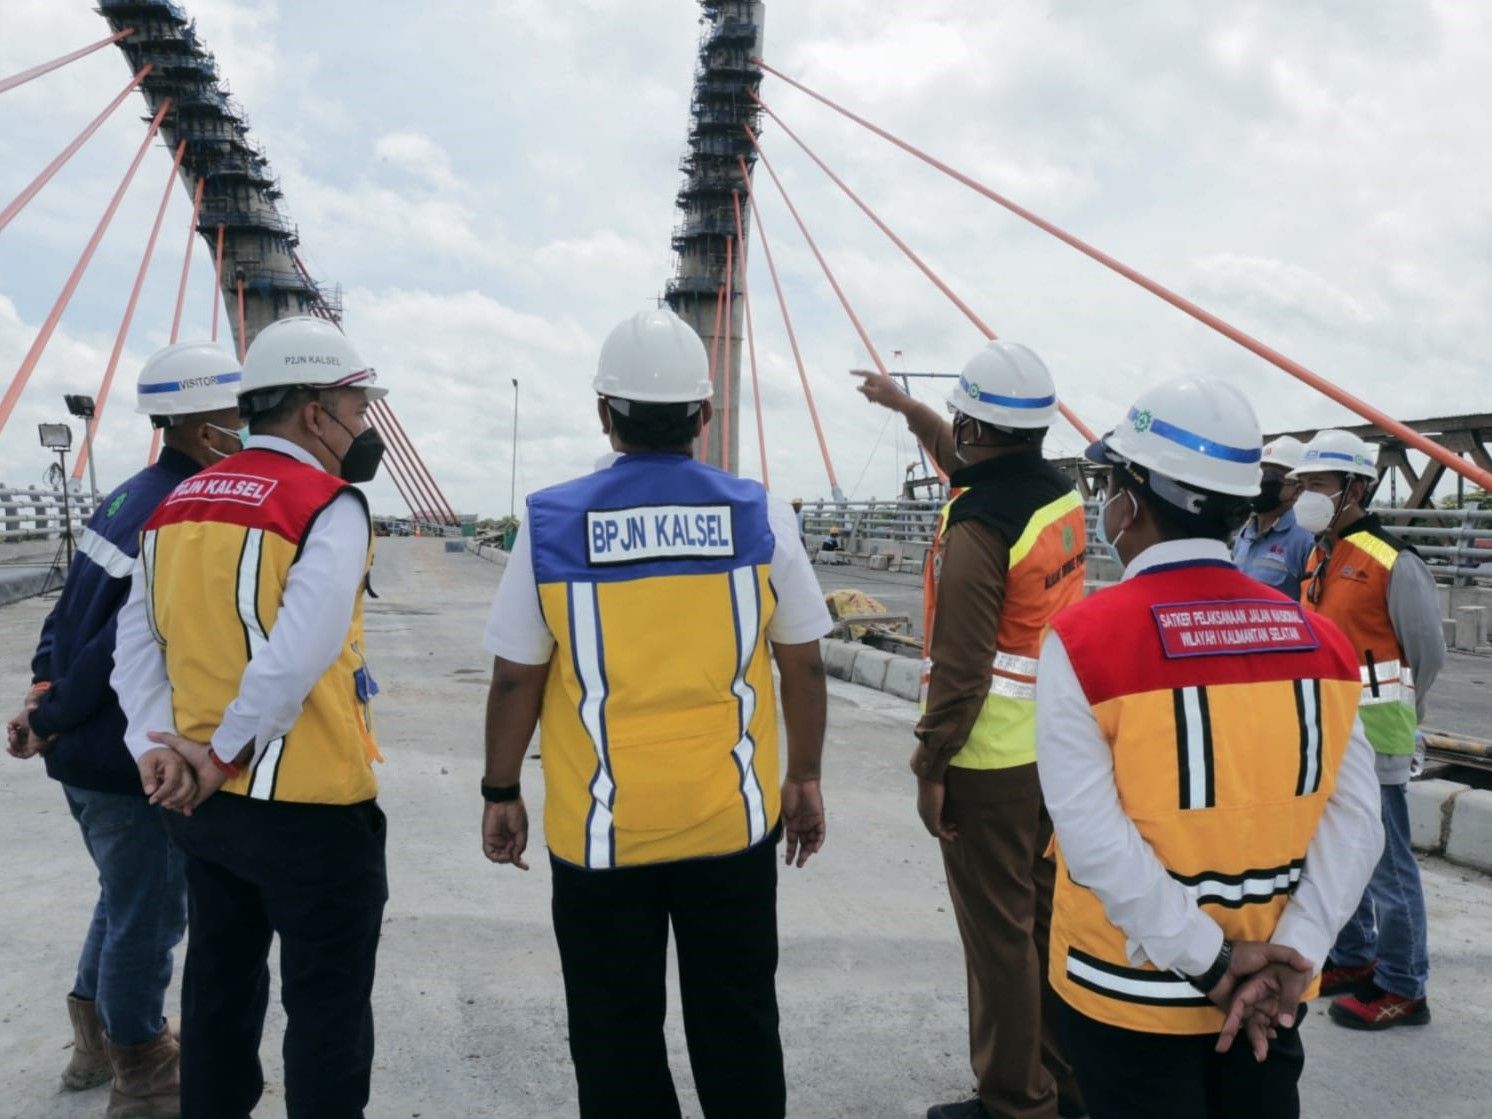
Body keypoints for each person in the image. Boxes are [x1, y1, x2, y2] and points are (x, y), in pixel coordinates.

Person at [479, 307, 831, 1119]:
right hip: (731, 827)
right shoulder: (761, 515)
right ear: (704, 414)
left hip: (601, 838)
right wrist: (804, 777)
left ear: (604, 413)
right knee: (739, 1026)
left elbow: (514, 680)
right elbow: (804, 663)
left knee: (614, 1039)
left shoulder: (552, 524)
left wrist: (501, 789)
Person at [1035, 378, 1383, 1119]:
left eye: (1111, 483)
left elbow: (1091, 837)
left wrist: (1214, 962)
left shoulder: (1085, 642)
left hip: (1130, 990)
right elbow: (1357, 823)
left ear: (1133, 501)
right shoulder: (1321, 642)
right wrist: (1295, 953)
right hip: (1272, 990)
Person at [111, 316, 392, 1119]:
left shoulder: (175, 504)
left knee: (218, 991)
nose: (363, 425)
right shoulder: (328, 504)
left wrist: (155, 748)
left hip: (204, 811)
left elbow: (138, 646)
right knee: (327, 1008)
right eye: (356, 407)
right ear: (315, 411)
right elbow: (295, 657)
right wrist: (221, 753)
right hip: (311, 805)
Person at [6, 343, 242, 1117]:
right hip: (122, 755)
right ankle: (141, 1068)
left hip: (83, 748)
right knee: (150, 913)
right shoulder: (180, 508)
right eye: (237, 414)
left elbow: (67, 609)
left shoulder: (127, 495)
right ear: (204, 429)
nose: (247, 426)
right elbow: (118, 643)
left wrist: (42, 695)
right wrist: (52, 712)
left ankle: (92, 1044)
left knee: (123, 898)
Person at [855, 340, 1088, 1119]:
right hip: (1058, 749)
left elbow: (960, 669)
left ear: (977, 426)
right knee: (1046, 926)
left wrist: (931, 766)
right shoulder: (1055, 496)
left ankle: (1016, 1100)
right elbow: (966, 459)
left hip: (990, 761)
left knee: (999, 939)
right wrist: (906, 407)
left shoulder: (979, 527)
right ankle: (1065, 1083)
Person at [1291, 429, 1446, 1029]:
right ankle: (1355, 957)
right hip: (1324, 733)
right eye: (1302, 484)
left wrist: (1407, 712)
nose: (1305, 495)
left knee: (1388, 864)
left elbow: (1427, 653)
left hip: (1377, 735)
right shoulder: (1318, 556)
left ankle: (1404, 985)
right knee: (1335, 850)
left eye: (1318, 484)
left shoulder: (1393, 560)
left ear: (1354, 489)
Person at [1231, 436, 1316, 601]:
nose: (1262, 482)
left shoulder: (1306, 539)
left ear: (1298, 488)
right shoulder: (1245, 533)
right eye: (1259, 473)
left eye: (1270, 477)